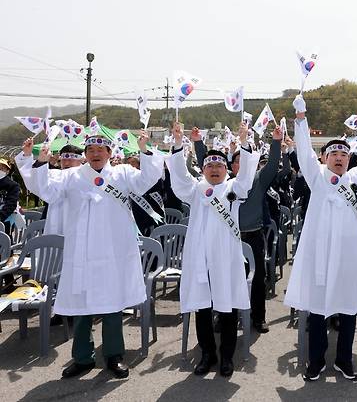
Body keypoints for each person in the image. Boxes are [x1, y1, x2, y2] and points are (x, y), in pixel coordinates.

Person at [27, 132, 162, 379]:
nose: (95, 154)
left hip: (113, 252)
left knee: (111, 306)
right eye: (90, 150)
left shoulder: (122, 173)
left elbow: (147, 179)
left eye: (101, 150)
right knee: (82, 307)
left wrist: (145, 150)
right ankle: (82, 358)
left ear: (110, 153)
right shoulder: (71, 175)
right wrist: (40, 162)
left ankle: (114, 356)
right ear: (85, 154)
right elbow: (45, 189)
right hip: (82, 253)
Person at [284, 95, 357, 382]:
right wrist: (300, 119)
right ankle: (316, 361)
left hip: (349, 258)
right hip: (320, 257)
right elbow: (304, 152)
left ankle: (345, 361)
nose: (338, 158)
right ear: (325, 158)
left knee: (347, 309)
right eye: (333, 154)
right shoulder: (317, 176)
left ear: (350, 159)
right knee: (318, 310)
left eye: (344, 155)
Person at [166, 121, 259, 377]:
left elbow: (246, 177)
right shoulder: (196, 190)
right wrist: (177, 144)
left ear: (226, 169)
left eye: (219, 165)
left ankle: (227, 356)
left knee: (227, 309)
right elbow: (179, 179)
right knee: (203, 308)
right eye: (210, 165)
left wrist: (244, 143)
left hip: (226, 258)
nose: (215, 169)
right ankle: (207, 354)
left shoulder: (234, 189)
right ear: (203, 170)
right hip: (199, 258)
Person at [194, 124, 282, 334]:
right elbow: (205, 164)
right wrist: (197, 142)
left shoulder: (258, 180)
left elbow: (271, 166)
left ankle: (258, 317)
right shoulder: (225, 185)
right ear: (230, 166)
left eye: (245, 159)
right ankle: (222, 316)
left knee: (258, 278)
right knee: (223, 277)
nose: (241, 164)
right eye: (236, 161)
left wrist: (277, 142)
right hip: (228, 238)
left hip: (253, 236)